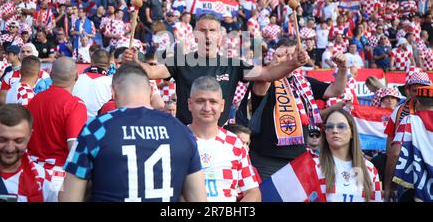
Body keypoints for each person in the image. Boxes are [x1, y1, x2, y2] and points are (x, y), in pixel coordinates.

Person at [124, 13, 312, 127]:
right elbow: (153, 72)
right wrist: (135, 63)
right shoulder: (181, 61)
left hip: (218, 134)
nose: (207, 35)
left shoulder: (233, 64)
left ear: (220, 36)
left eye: (212, 30)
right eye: (202, 30)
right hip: (185, 133)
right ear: (195, 35)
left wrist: (294, 63)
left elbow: (268, 74)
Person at [60, 63, 207, 202]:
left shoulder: (97, 128)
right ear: (150, 92)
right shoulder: (180, 131)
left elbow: (69, 197)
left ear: (113, 92)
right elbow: (199, 199)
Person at [250, 37, 348, 180]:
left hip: (298, 158)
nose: (291, 58)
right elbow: (260, 88)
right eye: (286, 55)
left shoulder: (304, 83)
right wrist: (273, 65)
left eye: (294, 54)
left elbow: (336, 90)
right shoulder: (266, 79)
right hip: (266, 158)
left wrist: (343, 68)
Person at [188, 76, 261, 202]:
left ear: (222, 106)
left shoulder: (235, 143)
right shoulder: (175, 139)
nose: (207, 108)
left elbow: (253, 192)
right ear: (190, 104)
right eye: (200, 101)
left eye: (213, 102)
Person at [26, 57, 88, 191]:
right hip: (58, 177)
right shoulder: (75, 104)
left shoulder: (35, 99)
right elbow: (74, 148)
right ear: (76, 77)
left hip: (32, 171)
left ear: (51, 75)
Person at [0, 105, 57, 202]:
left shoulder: (43, 180)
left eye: (18, 141)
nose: (10, 148)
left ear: (30, 135)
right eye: (2, 140)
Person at [383, 68, 432, 200]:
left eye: (423, 89)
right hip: (406, 168)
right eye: (415, 90)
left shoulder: (408, 120)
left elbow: (395, 152)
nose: (419, 94)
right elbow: (390, 147)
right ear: (407, 91)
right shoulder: (399, 111)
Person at [317, 108, 382, 202]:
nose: (335, 130)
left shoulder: (369, 168)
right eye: (330, 126)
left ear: (352, 132)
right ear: (325, 132)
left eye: (341, 126)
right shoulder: (313, 166)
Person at [72, 49, 112, 118]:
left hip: (77, 123)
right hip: (99, 125)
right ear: (109, 65)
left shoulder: (75, 79)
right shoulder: (112, 83)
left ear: (91, 62)